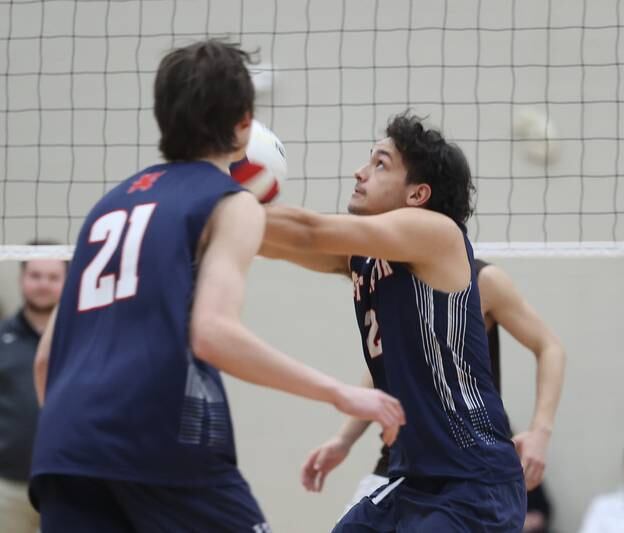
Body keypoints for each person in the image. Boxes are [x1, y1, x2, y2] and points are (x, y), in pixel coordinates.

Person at [29, 39, 404, 533]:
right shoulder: (231, 203)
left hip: (64, 450)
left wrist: (80, 435)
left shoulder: (109, 205)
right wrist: (339, 392)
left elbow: (44, 361)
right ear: (245, 123)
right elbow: (213, 334)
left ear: (162, 116)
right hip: (160, 441)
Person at [261, 113, 534, 531]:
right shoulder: (363, 255)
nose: (360, 171)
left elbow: (309, 230)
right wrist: (208, 218)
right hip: (413, 480)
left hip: (474, 483)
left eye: (380, 163)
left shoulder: (436, 233)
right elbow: (280, 242)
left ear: (418, 194)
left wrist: (224, 202)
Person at [299, 258, 565, 532]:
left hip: (466, 466)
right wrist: (344, 439)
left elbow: (550, 347)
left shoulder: (482, 279)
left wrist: (540, 433)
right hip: (402, 466)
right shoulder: (387, 275)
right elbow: (385, 366)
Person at [0, 249, 66, 533]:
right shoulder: (2, 337)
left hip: (68, 485)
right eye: (35, 275)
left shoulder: (84, 339)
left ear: (68, 282)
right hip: (8, 487)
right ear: (22, 278)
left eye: (53, 277)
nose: (43, 284)